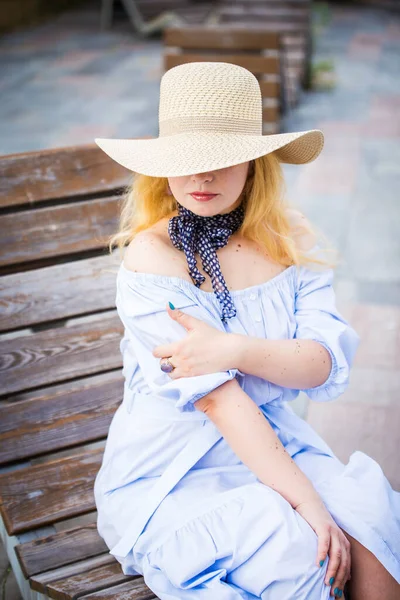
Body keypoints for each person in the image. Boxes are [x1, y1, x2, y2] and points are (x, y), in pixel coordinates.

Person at [93, 62, 400, 600]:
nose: (201, 177)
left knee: (375, 545)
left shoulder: (289, 240)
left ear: (256, 160)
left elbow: (322, 361)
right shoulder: (153, 258)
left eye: (220, 159)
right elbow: (216, 400)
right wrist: (307, 503)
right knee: (305, 553)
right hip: (178, 466)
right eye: (184, 161)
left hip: (277, 443)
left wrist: (233, 348)